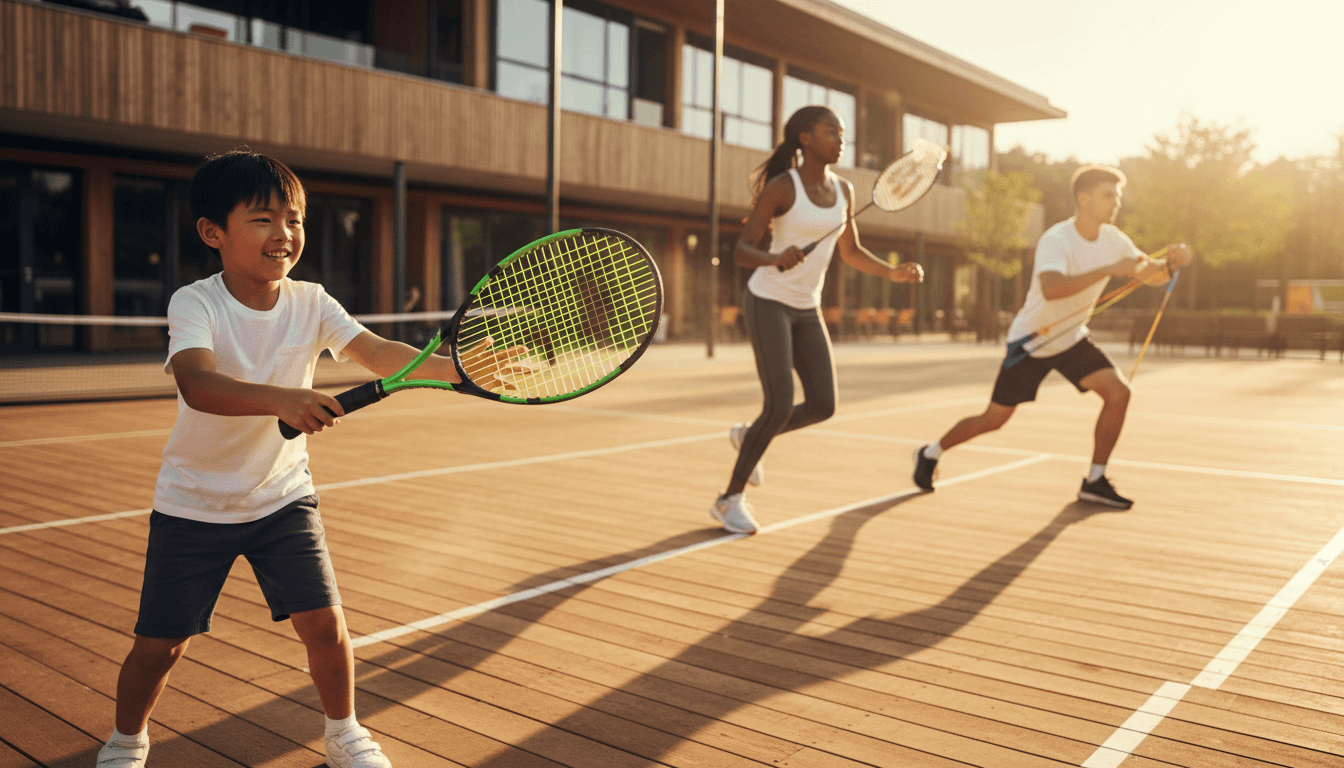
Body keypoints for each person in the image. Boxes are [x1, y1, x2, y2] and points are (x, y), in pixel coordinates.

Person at [96, 150, 521, 768]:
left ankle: (344, 733)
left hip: (281, 496)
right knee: (160, 647)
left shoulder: (312, 301)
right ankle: (126, 740)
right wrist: (286, 400)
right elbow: (198, 386)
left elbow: (378, 353)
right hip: (194, 504)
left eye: (294, 219)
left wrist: (458, 369)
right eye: (263, 219)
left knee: (325, 627)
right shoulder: (197, 303)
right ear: (213, 232)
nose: (284, 234)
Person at [912, 164, 1192, 509]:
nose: (1115, 202)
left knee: (1119, 394)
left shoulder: (1115, 239)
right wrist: (1107, 269)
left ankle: (1094, 480)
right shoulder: (1056, 240)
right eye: (1108, 195)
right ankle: (930, 453)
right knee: (994, 420)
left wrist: (1172, 264)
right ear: (1083, 199)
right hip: (1032, 340)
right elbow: (1052, 288)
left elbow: (1150, 274)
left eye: (1117, 196)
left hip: (1072, 338)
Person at [710, 106, 925, 534]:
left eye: (841, 133)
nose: (840, 140)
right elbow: (740, 251)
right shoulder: (782, 187)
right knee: (778, 404)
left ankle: (750, 435)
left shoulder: (844, 190)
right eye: (831, 132)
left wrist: (893, 272)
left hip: (807, 308)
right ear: (806, 138)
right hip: (769, 300)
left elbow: (850, 251)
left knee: (823, 405)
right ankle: (729, 498)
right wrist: (774, 257)